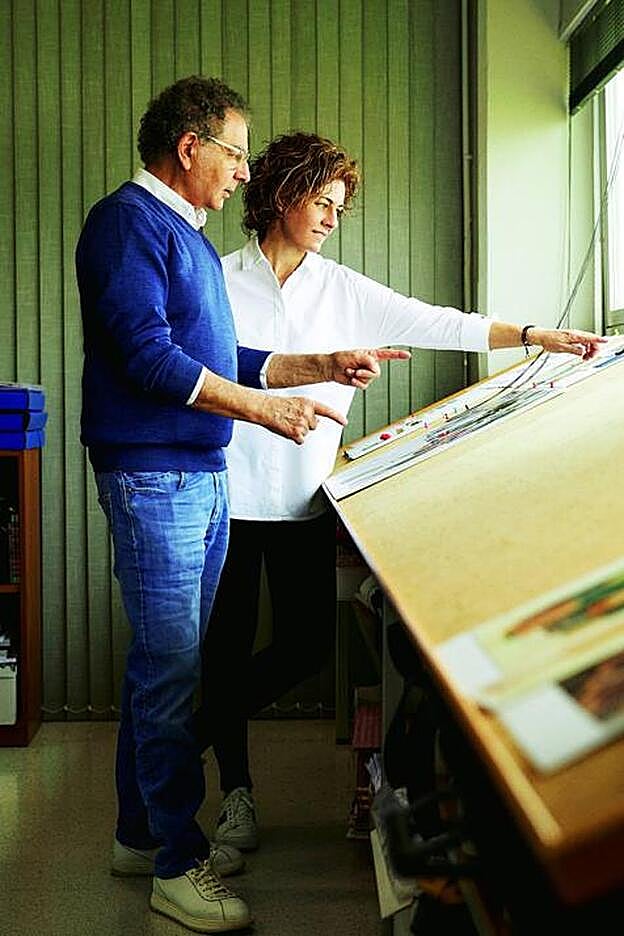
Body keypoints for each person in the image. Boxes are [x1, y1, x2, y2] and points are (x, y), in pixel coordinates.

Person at [193, 131, 605, 853]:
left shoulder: (344, 289)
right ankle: (236, 795)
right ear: (282, 196)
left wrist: (537, 334)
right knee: (224, 654)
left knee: (303, 648)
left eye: (338, 208)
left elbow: (445, 324)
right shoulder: (214, 280)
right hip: (222, 497)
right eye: (320, 202)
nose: (329, 217)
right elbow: (194, 372)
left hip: (303, 501)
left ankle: (181, 738)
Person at [76, 81, 408, 935]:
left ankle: (138, 834)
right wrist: (263, 411)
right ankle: (179, 866)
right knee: (174, 669)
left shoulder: (182, 234)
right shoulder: (127, 225)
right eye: (235, 150)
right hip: (156, 476)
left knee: (167, 666)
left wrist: (316, 364)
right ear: (189, 148)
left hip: (195, 474)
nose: (244, 170)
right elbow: (149, 358)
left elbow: (227, 354)